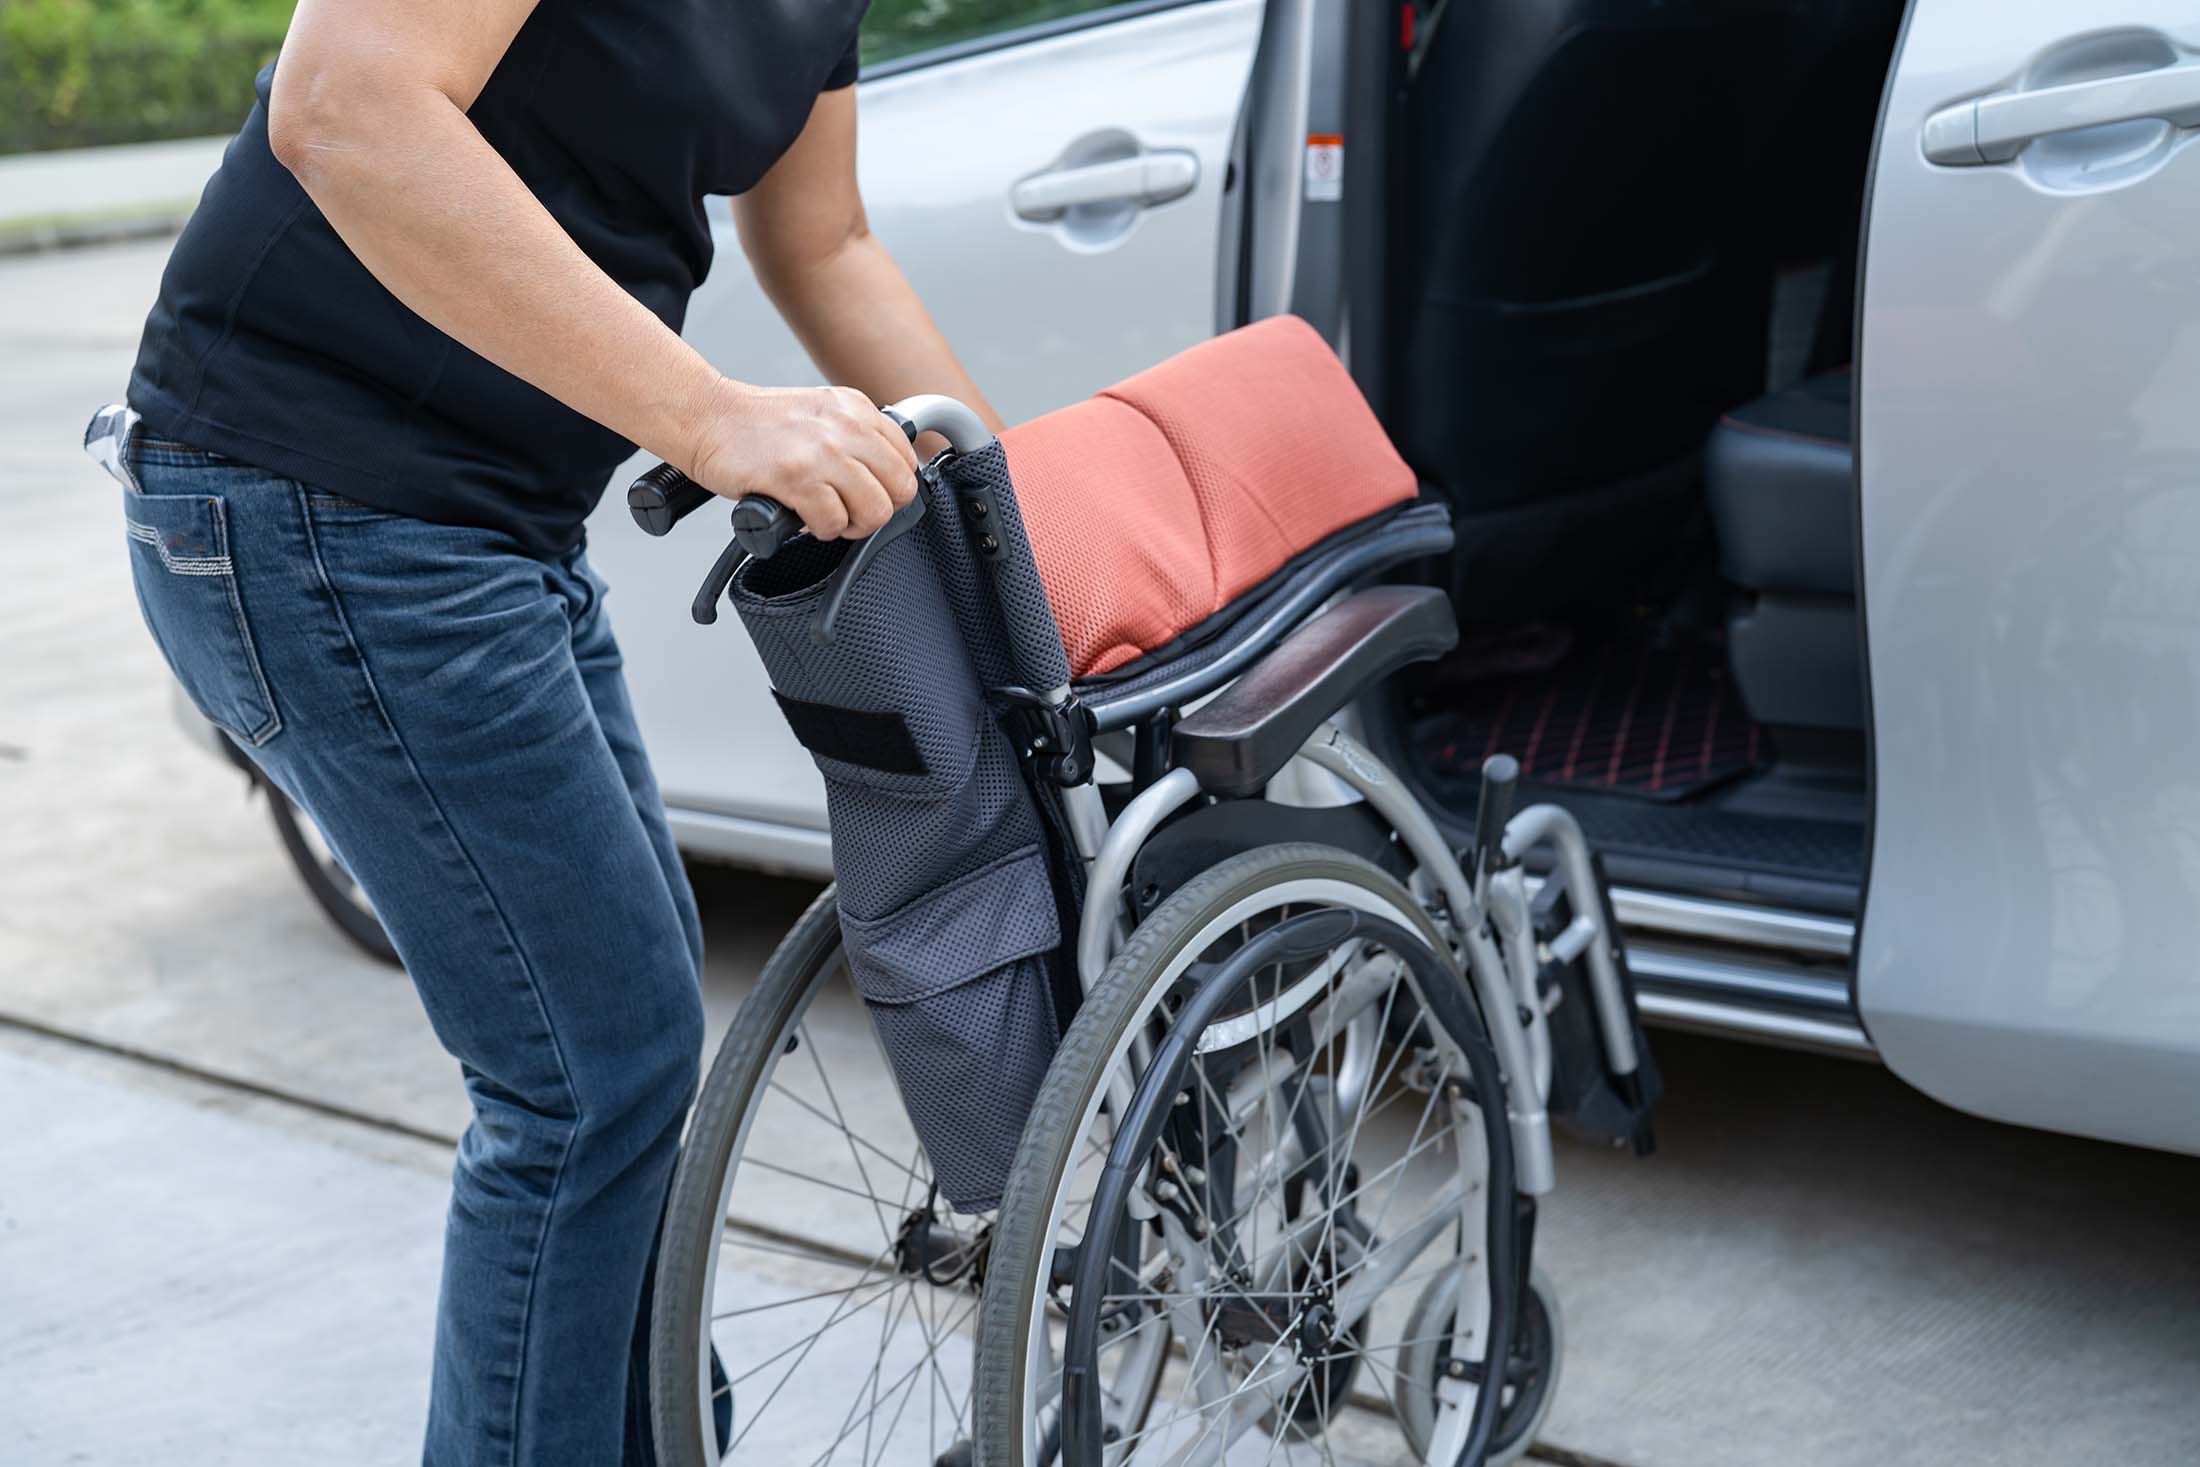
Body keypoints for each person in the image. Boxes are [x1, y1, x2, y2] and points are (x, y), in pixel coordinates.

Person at [90, 0, 998, 1461]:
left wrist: (1014, 529)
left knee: (623, 1055)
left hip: (496, 528)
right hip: (316, 499)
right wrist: (712, 418)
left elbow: (824, 240)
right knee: (588, 1079)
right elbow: (348, 105)